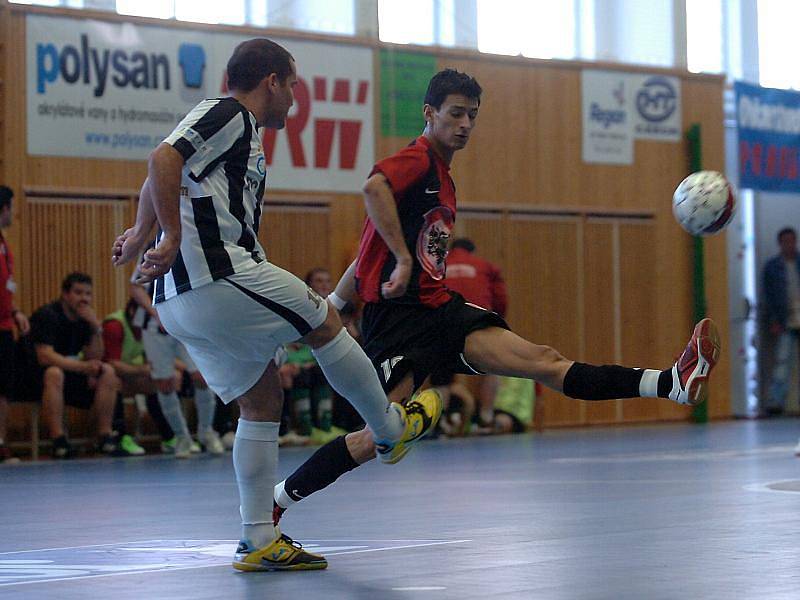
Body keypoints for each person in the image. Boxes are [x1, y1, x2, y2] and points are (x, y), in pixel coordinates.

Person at [270, 68, 721, 524]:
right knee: (375, 440)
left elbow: (365, 255)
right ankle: (278, 501)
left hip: (440, 311)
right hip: (397, 325)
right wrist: (401, 264)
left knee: (543, 361)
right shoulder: (420, 159)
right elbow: (373, 187)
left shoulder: (443, 177)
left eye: (472, 116)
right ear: (429, 114)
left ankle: (671, 383)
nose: (465, 124)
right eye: (455, 114)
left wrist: (331, 311)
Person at [111, 38, 440, 572]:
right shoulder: (230, 114)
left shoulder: (234, 133)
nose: (294, 97)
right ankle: (388, 429)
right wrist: (167, 236)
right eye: (293, 84)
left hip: (180, 300)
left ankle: (258, 537)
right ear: (272, 82)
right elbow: (162, 158)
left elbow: (165, 167)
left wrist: (142, 230)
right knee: (326, 320)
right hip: (216, 276)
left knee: (262, 400)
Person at [129, 248, 224, 457]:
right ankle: (182, 437)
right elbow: (136, 286)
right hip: (155, 328)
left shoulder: (194, 245)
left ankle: (206, 432)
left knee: (201, 376)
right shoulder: (152, 249)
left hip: (187, 324)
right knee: (164, 383)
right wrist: (156, 314)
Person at [29, 272, 119, 459]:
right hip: (40, 380)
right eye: (78, 293)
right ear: (65, 294)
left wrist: (95, 327)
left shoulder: (85, 319)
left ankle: (104, 436)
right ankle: (59, 441)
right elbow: (45, 356)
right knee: (55, 373)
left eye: (87, 294)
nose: (84, 299)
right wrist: (82, 368)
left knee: (108, 372)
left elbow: (94, 356)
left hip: (72, 377)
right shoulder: (47, 315)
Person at [439, 237, 508, 429]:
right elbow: (501, 298)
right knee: (491, 367)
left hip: (444, 320)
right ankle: (486, 418)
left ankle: (442, 421)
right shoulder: (485, 266)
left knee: (441, 370)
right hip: (477, 319)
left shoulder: (440, 265)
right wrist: (496, 321)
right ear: (472, 251)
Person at [0, 186, 29, 463]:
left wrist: (16, 310)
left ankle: (1, 443)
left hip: (5, 326)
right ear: (4, 208)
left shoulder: (4, 242)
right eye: (12, 206)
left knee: (4, 390)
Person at [762, 227, 800, 417]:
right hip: (785, 318)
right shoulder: (772, 267)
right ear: (780, 243)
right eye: (786, 241)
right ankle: (775, 402)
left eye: (792, 241)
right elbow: (769, 297)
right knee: (782, 362)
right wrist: (774, 320)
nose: (790, 245)